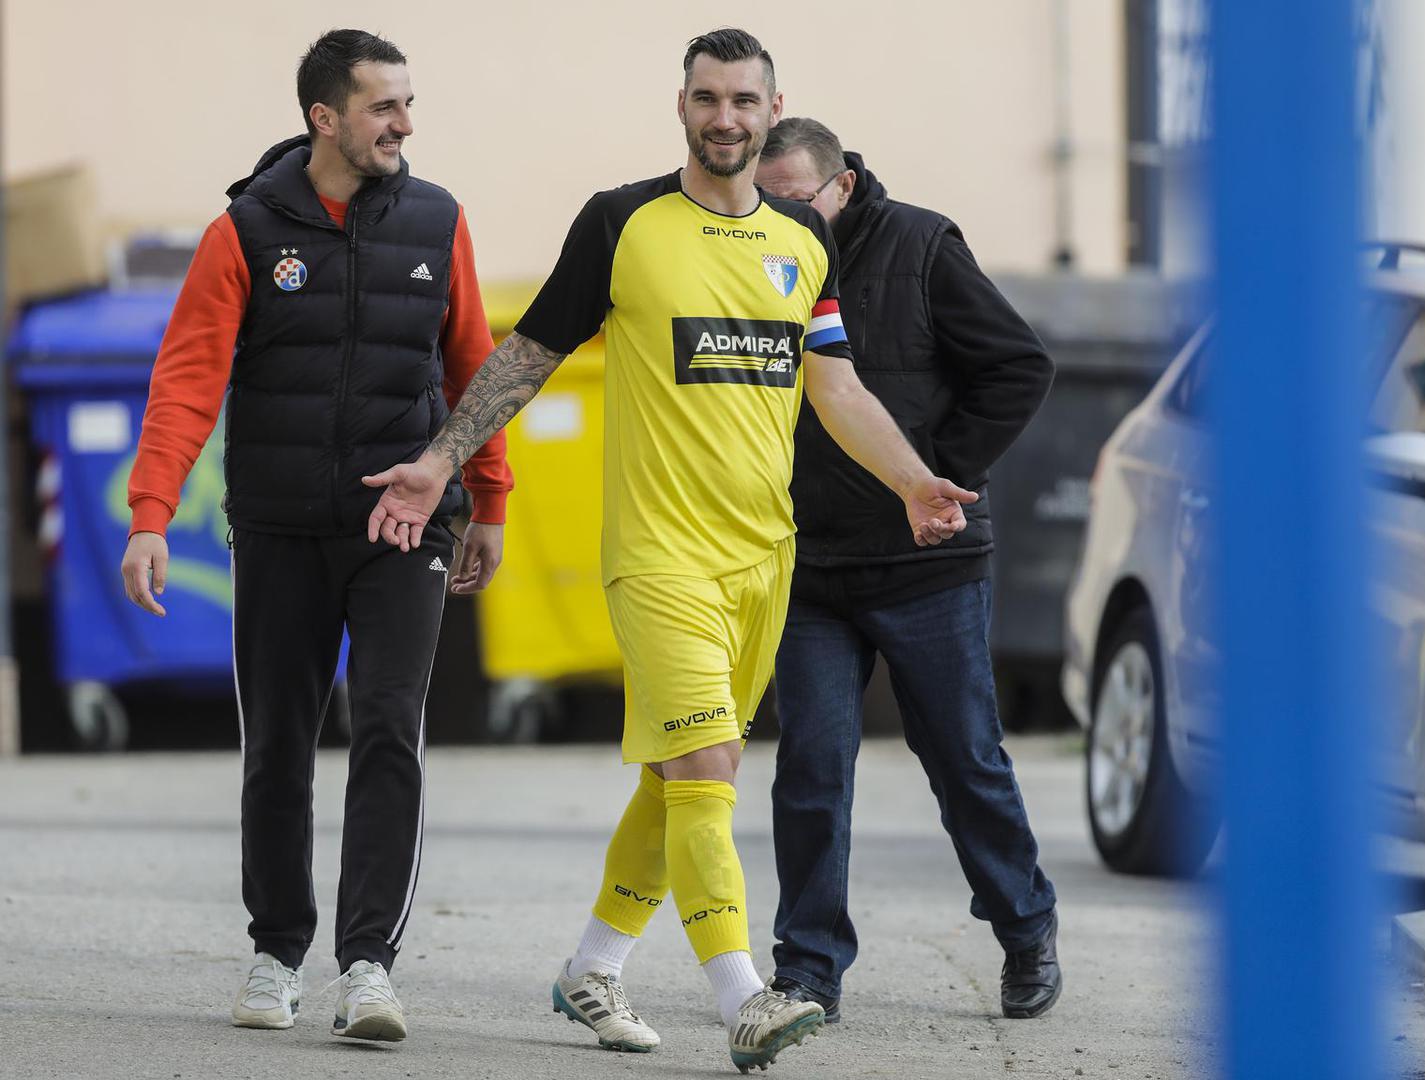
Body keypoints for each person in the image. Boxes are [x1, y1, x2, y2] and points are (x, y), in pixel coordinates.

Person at [360, 28, 977, 1072]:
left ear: (772, 107)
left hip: (764, 559)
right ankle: (744, 996)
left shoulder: (802, 238)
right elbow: (529, 354)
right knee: (705, 768)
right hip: (658, 556)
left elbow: (834, 385)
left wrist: (913, 481)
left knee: (678, 775)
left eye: (743, 100)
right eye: (706, 98)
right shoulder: (622, 221)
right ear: (680, 105)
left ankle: (592, 967)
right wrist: (442, 460)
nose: (724, 118)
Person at [119, 29, 512, 1042]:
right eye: (384, 106)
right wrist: (151, 515)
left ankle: (369, 965)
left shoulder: (437, 219)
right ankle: (276, 951)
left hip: (404, 525)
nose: (405, 124)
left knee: (387, 727)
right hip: (280, 525)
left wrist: (490, 498)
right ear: (324, 118)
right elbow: (186, 379)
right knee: (278, 743)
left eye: (408, 103)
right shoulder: (245, 232)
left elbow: (474, 364)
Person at [753, 118, 1061, 1021]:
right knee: (812, 769)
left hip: (928, 562)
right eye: (766, 201)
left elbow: (1018, 367)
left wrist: (934, 475)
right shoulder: (748, 251)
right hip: (807, 563)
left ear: (843, 185)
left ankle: (1025, 926)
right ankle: (809, 968)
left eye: (795, 200)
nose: (778, 216)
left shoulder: (921, 245)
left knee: (963, 759)